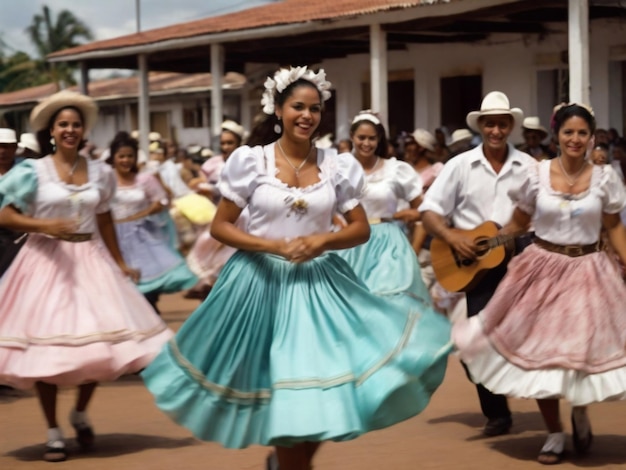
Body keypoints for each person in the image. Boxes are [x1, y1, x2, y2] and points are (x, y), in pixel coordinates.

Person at [141, 66, 451, 470]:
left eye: (315, 109)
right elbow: (221, 227)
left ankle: (288, 463)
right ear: (278, 110)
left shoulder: (337, 165)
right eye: (298, 107)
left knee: (319, 390)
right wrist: (270, 245)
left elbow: (359, 230)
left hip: (319, 285)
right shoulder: (251, 161)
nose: (307, 116)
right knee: (285, 391)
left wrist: (321, 240)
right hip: (259, 285)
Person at [0, 90, 173, 462]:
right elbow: (6, 214)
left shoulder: (101, 172)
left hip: (91, 262)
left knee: (98, 342)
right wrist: (43, 224)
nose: (70, 130)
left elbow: (105, 217)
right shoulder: (32, 170)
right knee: (46, 349)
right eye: (63, 124)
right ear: (52, 130)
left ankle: (79, 411)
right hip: (44, 263)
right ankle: (52, 430)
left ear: (83, 131)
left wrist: (120, 261)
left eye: (76, 124)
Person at [452, 103, 626, 465]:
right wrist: (485, 244)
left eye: (582, 133)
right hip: (542, 271)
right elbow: (517, 224)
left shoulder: (606, 178)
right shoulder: (536, 176)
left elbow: (613, 227)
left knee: (580, 354)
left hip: (590, 272)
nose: (575, 139)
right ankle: (554, 434)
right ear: (557, 136)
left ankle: (579, 410)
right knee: (540, 357)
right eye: (568, 132)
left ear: (591, 136)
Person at [419, 91, 535, 437]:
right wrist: (453, 238)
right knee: (474, 345)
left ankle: (541, 404)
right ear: (481, 126)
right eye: (490, 124)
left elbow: (541, 215)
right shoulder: (459, 165)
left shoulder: (529, 167)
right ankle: (497, 413)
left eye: (501, 124)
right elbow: (429, 212)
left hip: (520, 262)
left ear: (510, 126)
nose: (496, 130)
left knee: (529, 335)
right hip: (476, 269)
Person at [335, 110, 431, 305]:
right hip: (349, 241)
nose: (366, 143)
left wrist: (413, 251)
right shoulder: (338, 169)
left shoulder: (395, 169)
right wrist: (336, 223)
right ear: (352, 137)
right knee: (351, 301)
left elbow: (422, 213)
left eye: (372, 138)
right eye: (361, 137)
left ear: (379, 139)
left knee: (389, 298)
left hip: (388, 244)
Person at [106, 132, 198, 312]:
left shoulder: (144, 179)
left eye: (130, 156)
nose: (126, 160)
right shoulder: (106, 181)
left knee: (146, 292)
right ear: (113, 158)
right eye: (121, 156)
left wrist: (140, 215)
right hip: (113, 238)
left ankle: (153, 320)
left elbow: (161, 201)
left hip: (142, 238)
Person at [184, 120, 247, 300]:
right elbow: (197, 183)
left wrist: (212, 188)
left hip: (242, 216)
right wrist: (199, 188)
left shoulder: (246, 161)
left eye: (230, 143)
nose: (225, 147)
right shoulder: (212, 163)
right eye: (223, 143)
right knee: (208, 249)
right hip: (216, 215)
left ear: (239, 143)